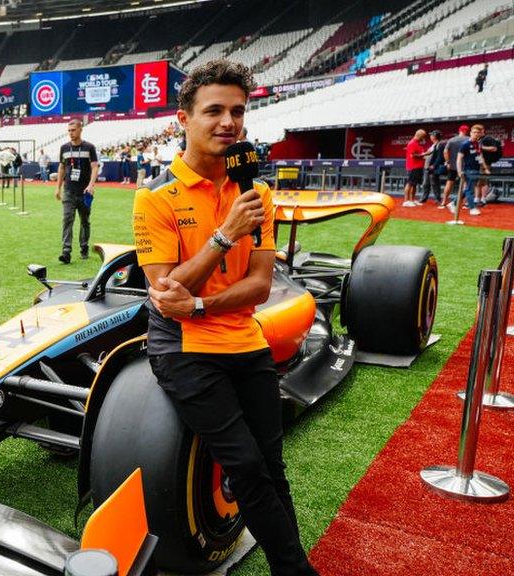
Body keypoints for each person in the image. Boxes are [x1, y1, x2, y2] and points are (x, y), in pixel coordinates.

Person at [132, 59, 318, 576]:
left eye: (238, 111)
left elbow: (258, 288)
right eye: (213, 110)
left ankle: (290, 565)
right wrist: (224, 235)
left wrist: (199, 304)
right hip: (184, 349)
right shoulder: (155, 198)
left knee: (272, 468)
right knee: (249, 467)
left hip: (243, 340)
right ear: (183, 120)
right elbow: (165, 291)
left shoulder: (256, 195)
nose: (229, 122)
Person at [55, 118, 99, 263]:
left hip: (85, 192)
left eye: (73, 130)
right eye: (69, 130)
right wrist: (58, 187)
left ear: (80, 129)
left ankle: (84, 247)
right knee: (67, 220)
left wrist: (91, 185)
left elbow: (94, 167)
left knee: (85, 221)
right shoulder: (64, 148)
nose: (70, 133)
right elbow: (61, 168)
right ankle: (66, 251)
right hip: (69, 190)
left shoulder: (89, 148)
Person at [454, 124, 487, 216]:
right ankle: (472, 208)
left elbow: (480, 157)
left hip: (476, 170)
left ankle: (453, 203)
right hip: (468, 170)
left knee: (468, 189)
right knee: (470, 190)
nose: (476, 134)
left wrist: (485, 168)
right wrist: (459, 171)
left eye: (478, 132)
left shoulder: (477, 144)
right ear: (470, 133)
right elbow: (459, 158)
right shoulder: (465, 144)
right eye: (474, 132)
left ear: (480, 134)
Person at [441, 125, 470, 209]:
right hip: (464, 165)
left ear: (459, 130)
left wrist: (447, 162)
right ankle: (464, 203)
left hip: (453, 165)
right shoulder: (469, 139)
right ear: (467, 131)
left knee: (449, 182)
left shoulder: (452, 140)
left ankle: (443, 202)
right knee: (465, 184)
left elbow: (445, 151)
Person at [417, 130, 445, 206]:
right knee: (425, 183)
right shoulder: (433, 145)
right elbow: (428, 155)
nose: (430, 136)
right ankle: (424, 198)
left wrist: (434, 165)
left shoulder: (440, 144)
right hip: (427, 167)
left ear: (435, 136)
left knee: (434, 183)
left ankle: (437, 199)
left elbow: (440, 157)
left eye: (432, 135)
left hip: (433, 167)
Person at [402, 129, 427, 207]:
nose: (423, 139)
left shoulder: (417, 144)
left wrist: (424, 154)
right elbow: (413, 155)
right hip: (413, 166)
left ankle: (412, 200)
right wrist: (424, 154)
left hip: (418, 166)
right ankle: (406, 201)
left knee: (414, 184)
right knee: (410, 183)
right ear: (419, 135)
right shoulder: (412, 143)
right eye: (422, 137)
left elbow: (419, 154)